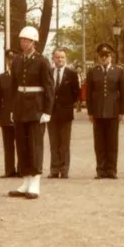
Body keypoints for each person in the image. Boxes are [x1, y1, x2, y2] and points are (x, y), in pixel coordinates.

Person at [8, 26, 53, 199]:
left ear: (33, 42)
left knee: (35, 145)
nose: (23, 43)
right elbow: (13, 86)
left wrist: (47, 110)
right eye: (21, 40)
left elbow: (49, 87)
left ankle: (35, 182)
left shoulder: (42, 61)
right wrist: (12, 108)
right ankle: (25, 180)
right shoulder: (18, 60)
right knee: (22, 144)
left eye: (26, 40)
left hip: (36, 106)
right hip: (20, 106)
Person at [87, 43, 124, 179]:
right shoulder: (93, 72)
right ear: (98, 57)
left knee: (112, 142)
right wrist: (90, 112)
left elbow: (123, 92)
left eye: (107, 56)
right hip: (98, 112)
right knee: (99, 143)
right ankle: (100, 169)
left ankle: (111, 170)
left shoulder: (118, 71)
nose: (104, 58)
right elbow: (89, 93)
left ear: (111, 57)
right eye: (102, 56)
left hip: (113, 111)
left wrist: (122, 111)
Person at [48, 48, 81, 179]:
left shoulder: (71, 74)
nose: (60, 60)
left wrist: (68, 104)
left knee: (64, 143)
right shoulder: (49, 72)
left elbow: (76, 93)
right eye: (57, 57)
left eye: (62, 57)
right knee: (53, 142)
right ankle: (54, 169)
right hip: (51, 113)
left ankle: (64, 169)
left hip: (65, 113)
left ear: (65, 59)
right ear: (53, 59)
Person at [0, 50, 18, 178]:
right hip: (5, 115)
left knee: (21, 145)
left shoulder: (22, 78)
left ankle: (21, 169)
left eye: (13, 60)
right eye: (9, 60)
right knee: (8, 144)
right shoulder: (1, 78)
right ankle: (9, 169)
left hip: (19, 114)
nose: (11, 62)